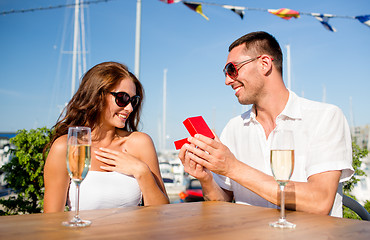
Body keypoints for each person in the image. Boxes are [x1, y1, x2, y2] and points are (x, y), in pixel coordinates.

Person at [178, 31, 353, 217]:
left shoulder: (325, 117)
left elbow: (319, 202)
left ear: (264, 64)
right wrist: (205, 179)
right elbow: (222, 200)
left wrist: (232, 167)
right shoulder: (233, 127)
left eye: (232, 69)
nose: (227, 80)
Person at [44, 61, 169, 213]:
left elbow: (162, 212)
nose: (129, 108)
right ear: (97, 96)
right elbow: (51, 220)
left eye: (133, 101)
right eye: (122, 98)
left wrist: (141, 171)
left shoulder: (140, 143)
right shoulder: (66, 147)